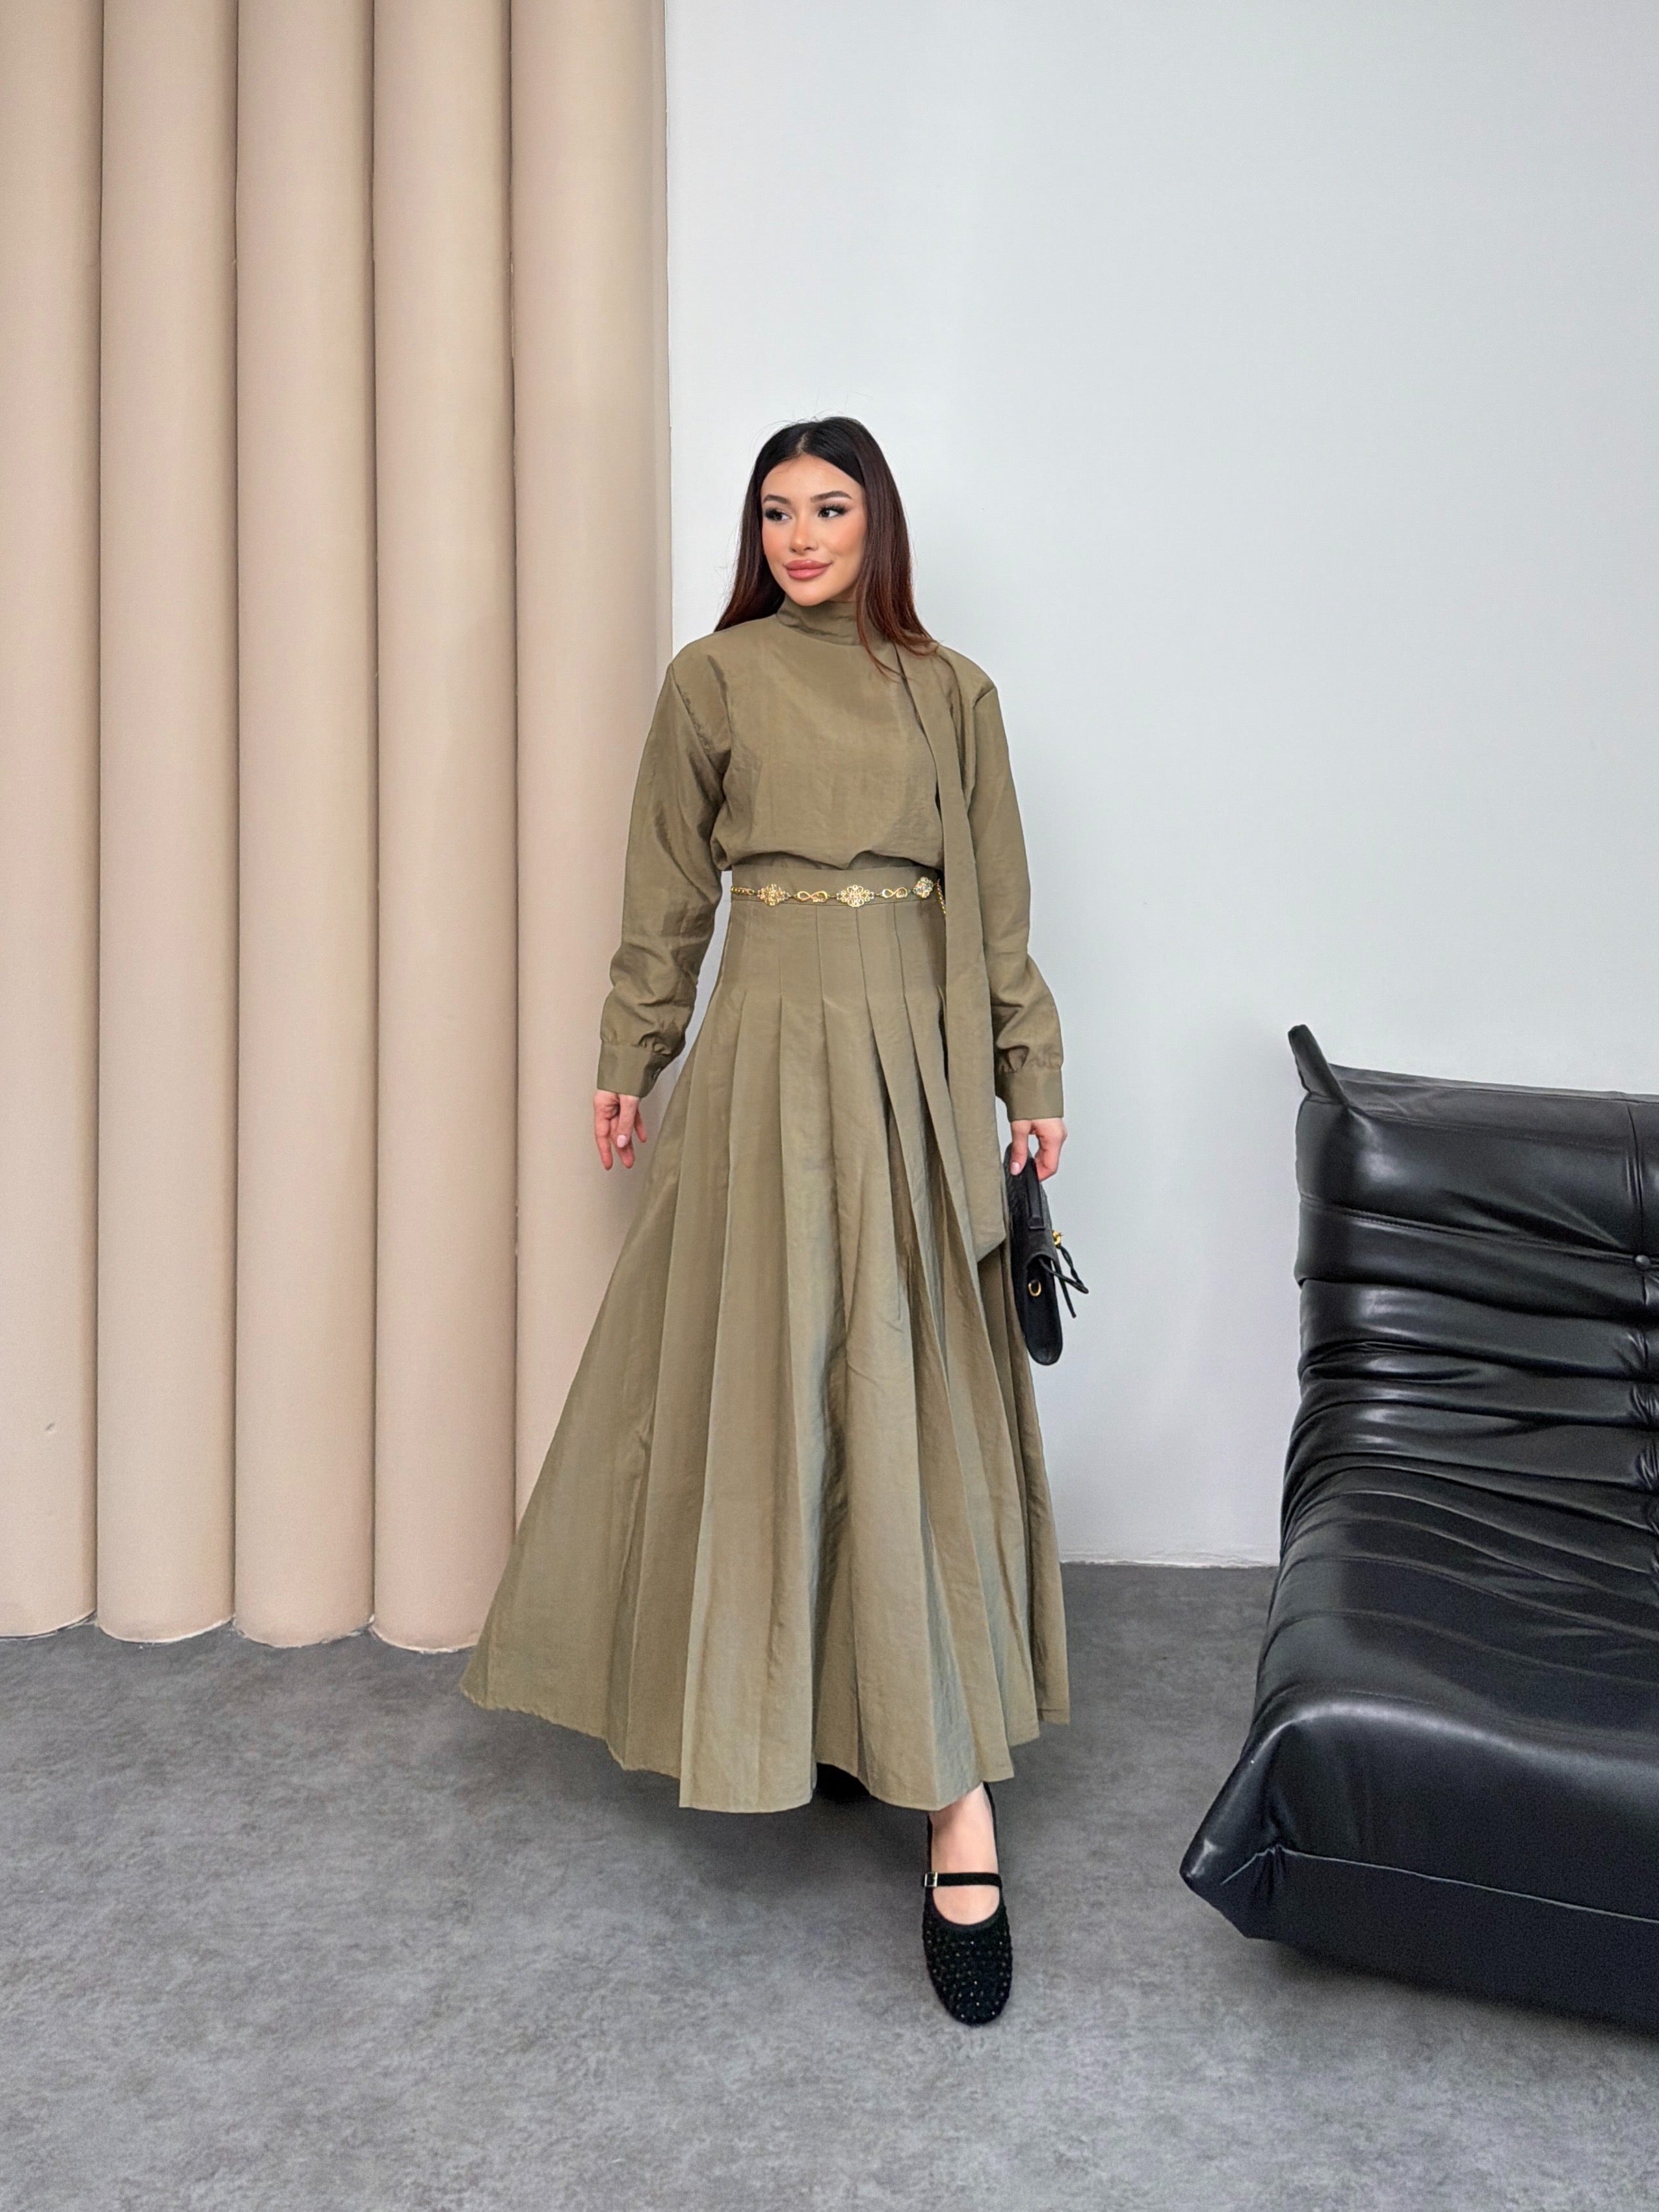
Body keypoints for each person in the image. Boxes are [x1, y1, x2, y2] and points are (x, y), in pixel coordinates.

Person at [463, 417, 1069, 2026]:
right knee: (770, 1382)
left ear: (879, 524)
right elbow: (664, 893)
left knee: (904, 1400)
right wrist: (630, 1055)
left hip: (909, 1068)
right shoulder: (711, 680)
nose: (800, 535)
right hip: (759, 1064)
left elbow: (1000, 910)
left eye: (830, 507)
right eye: (777, 511)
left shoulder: (952, 692)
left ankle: (953, 1802)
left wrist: (1029, 1072)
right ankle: (797, 1701)